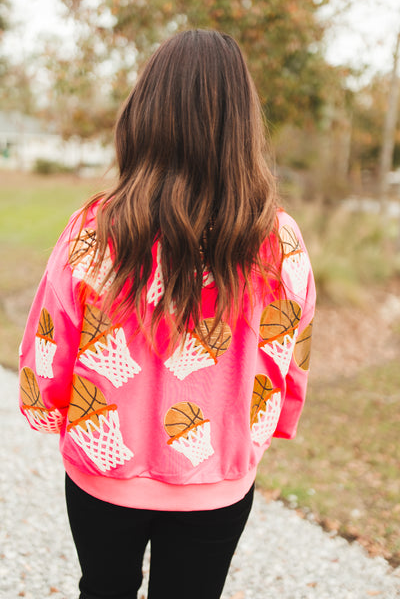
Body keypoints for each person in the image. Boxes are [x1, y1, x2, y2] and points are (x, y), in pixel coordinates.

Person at [19, 29, 316, 599]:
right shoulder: (278, 239)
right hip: (217, 477)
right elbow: (290, 349)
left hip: (103, 474)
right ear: (243, 125)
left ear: (144, 115)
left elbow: (50, 338)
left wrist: (49, 406)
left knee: (102, 589)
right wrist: (273, 423)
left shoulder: (94, 231)